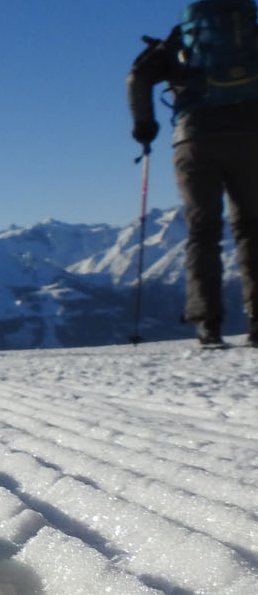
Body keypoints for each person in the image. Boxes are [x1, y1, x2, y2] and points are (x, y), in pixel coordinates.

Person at [129, 0, 258, 347]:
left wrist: (144, 126)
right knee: (250, 227)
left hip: (194, 138)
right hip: (251, 135)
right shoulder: (249, 33)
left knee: (203, 230)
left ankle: (207, 325)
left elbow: (137, 77)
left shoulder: (179, 41)